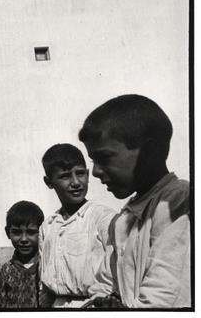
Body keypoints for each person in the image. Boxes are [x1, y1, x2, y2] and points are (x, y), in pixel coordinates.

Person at [79, 95, 190, 308]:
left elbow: (164, 299)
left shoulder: (178, 203)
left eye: (104, 158)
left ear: (149, 152)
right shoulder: (123, 219)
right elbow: (104, 284)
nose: (95, 171)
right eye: (93, 161)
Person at [39, 143, 116, 308]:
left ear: (88, 175)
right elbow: (45, 285)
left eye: (80, 173)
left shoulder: (103, 218)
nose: (76, 182)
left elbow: (117, 273)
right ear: (49, 182)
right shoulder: (47, 227)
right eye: (65, 176)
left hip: (95, 306)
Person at [0, 200, 44, 309]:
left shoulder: (46, 267)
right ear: (8, 233)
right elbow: (0, 305)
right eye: (17, 232)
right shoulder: (7, 270)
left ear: (42, 232)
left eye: (31, 232)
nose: (23, 239)